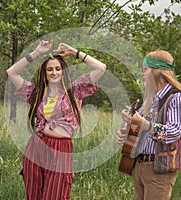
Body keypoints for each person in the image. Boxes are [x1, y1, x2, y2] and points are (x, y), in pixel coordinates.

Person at [6, 40, 106, 200]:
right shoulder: (36, 93)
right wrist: (37, 52)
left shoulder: (75, 91)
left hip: (60, 148)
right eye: (49, 69)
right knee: (34, 194)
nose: (54, 72)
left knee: (56, 194)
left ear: (63, 71)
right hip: (36, 146)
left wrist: (73, 51)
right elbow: (12, 72)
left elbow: (101, 68)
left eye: (58, 69)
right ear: (44, 73)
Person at [116, 50, 181, 200]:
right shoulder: (150, 99)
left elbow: (172, 134)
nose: (142, 74)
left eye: (145, 70)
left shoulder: (177, 98)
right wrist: (126, 131)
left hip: (159, 169)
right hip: (139, 165)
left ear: (157, 71)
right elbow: (140, 129)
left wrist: (141, 122)